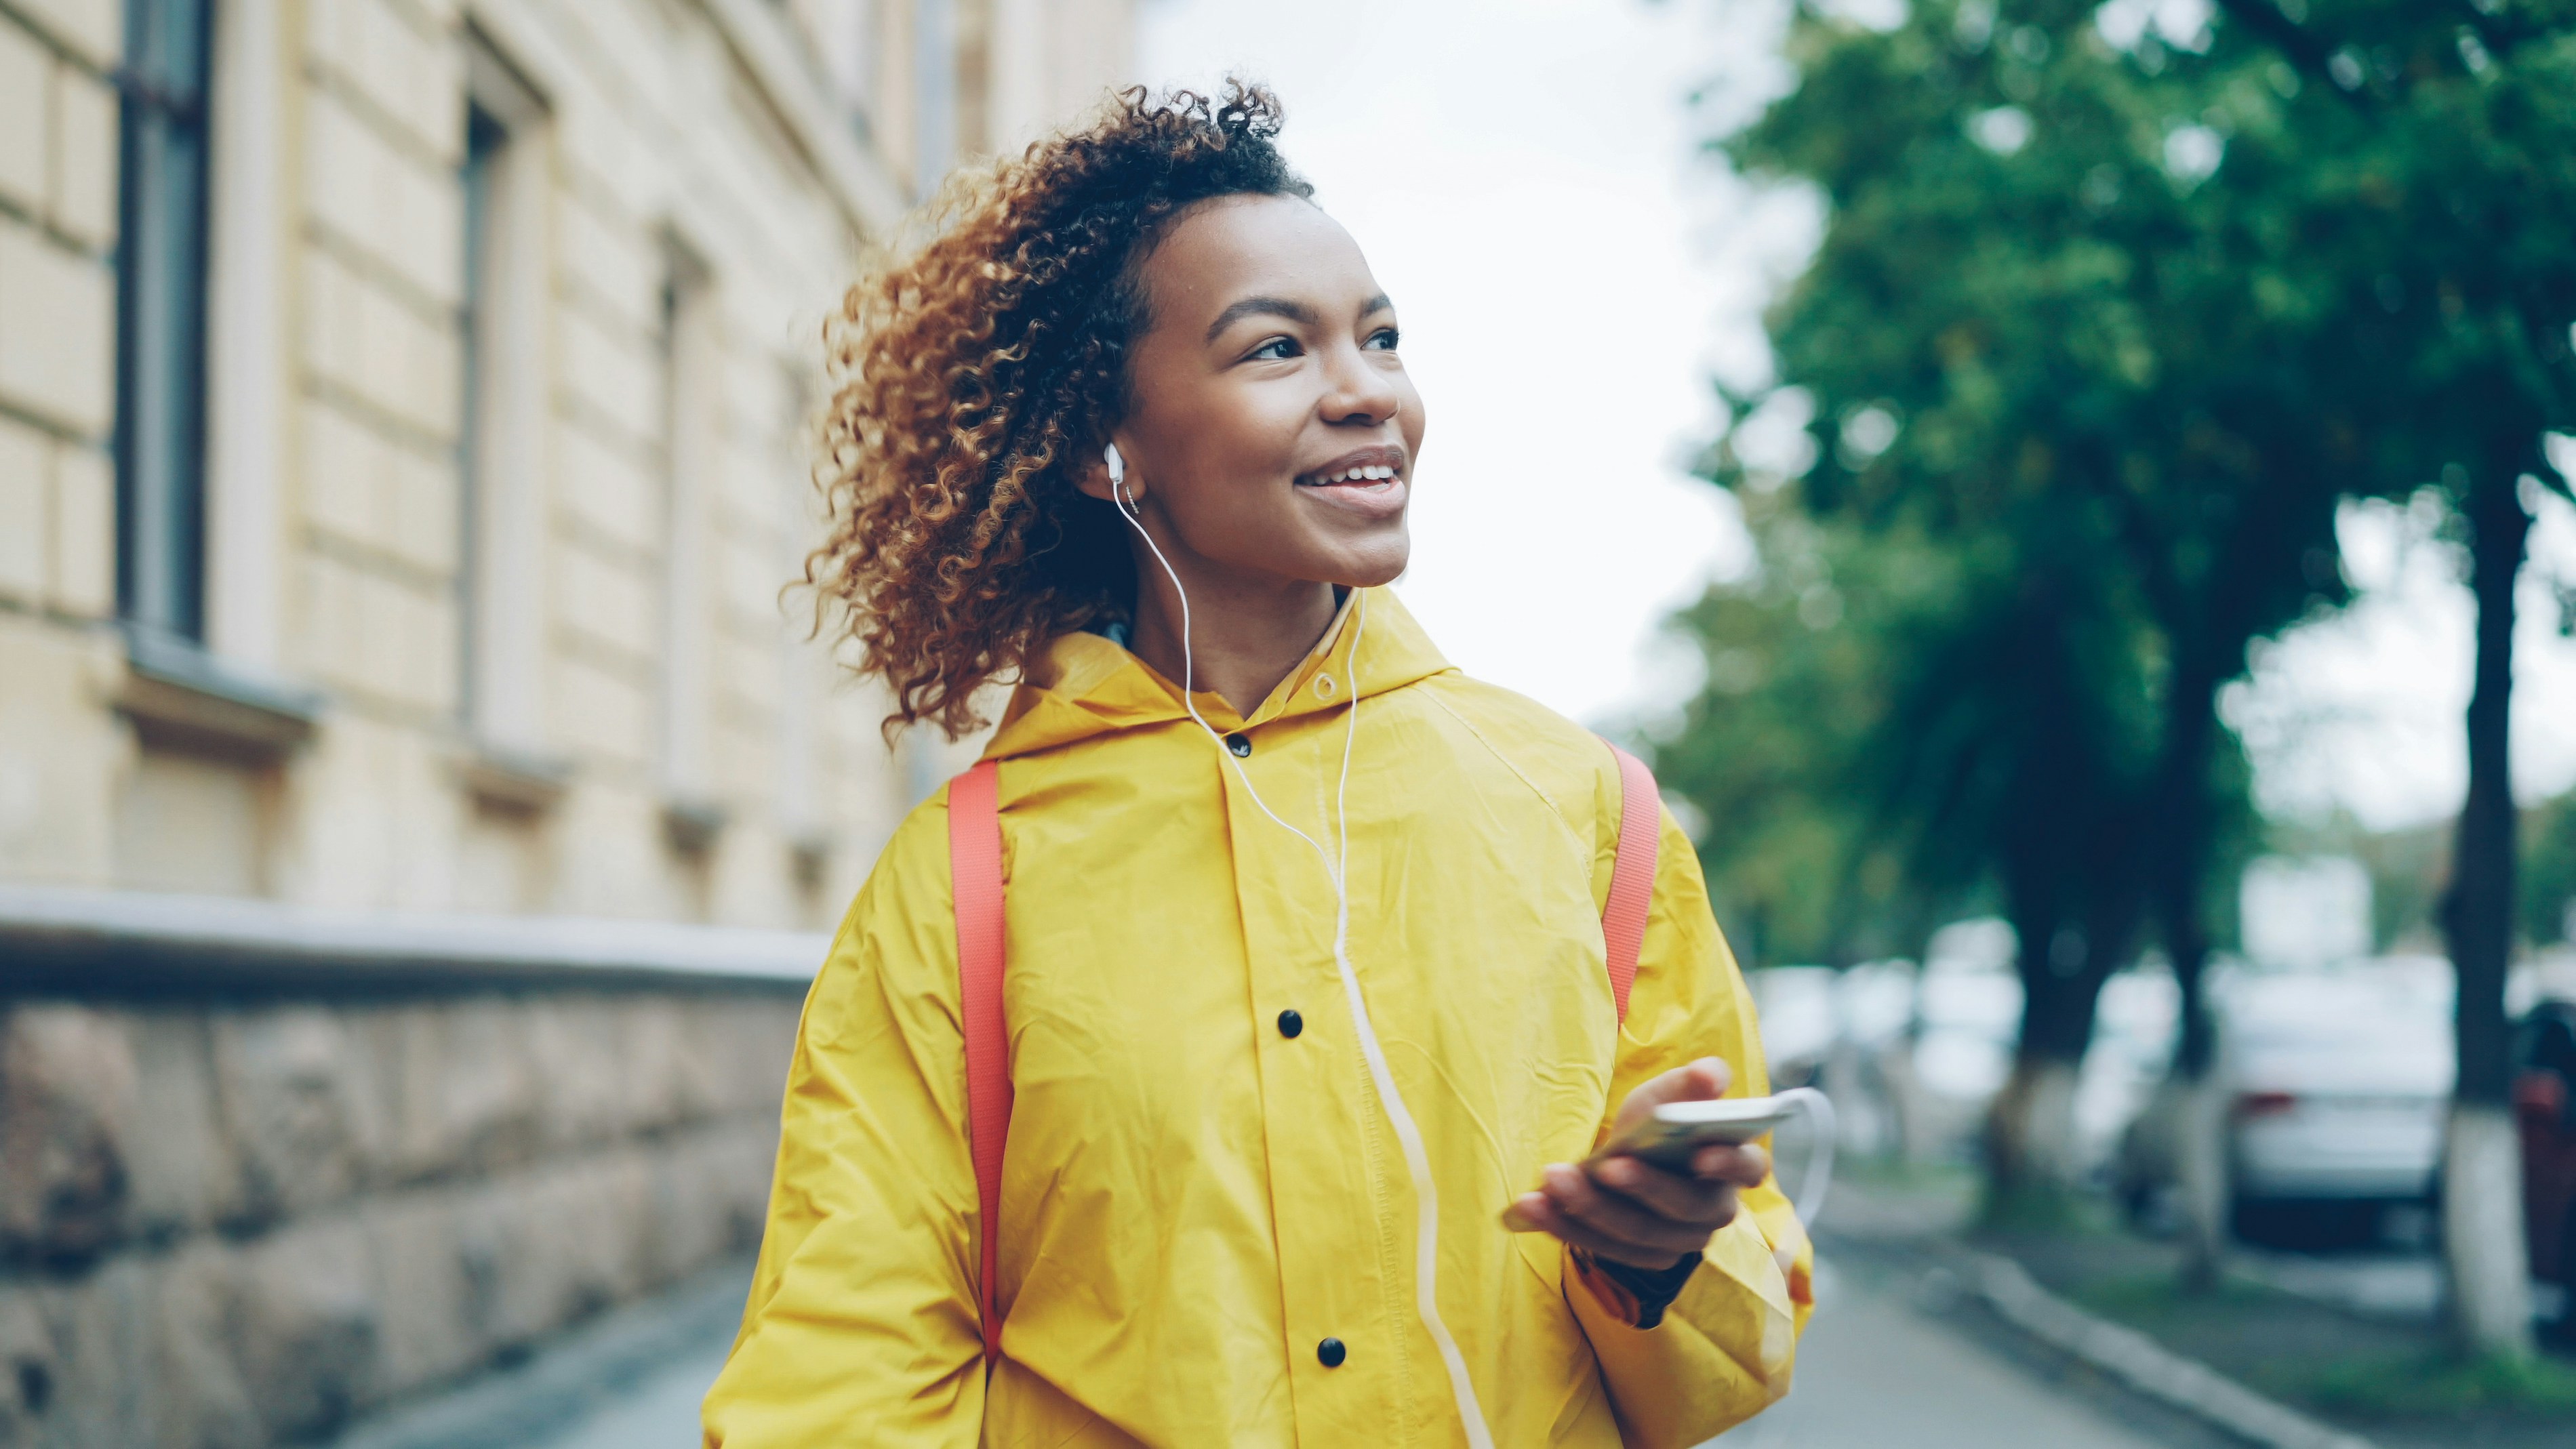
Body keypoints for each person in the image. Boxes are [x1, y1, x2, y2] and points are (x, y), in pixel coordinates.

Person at [701, 83, 1811, 1448]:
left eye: (1383, 337)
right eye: (1277, 347)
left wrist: (1657, 1257)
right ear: (1110, 450)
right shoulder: (964, 882)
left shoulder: (1588, 813)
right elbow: (839, 1379)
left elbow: (1742, 1349)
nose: (1367, 393)